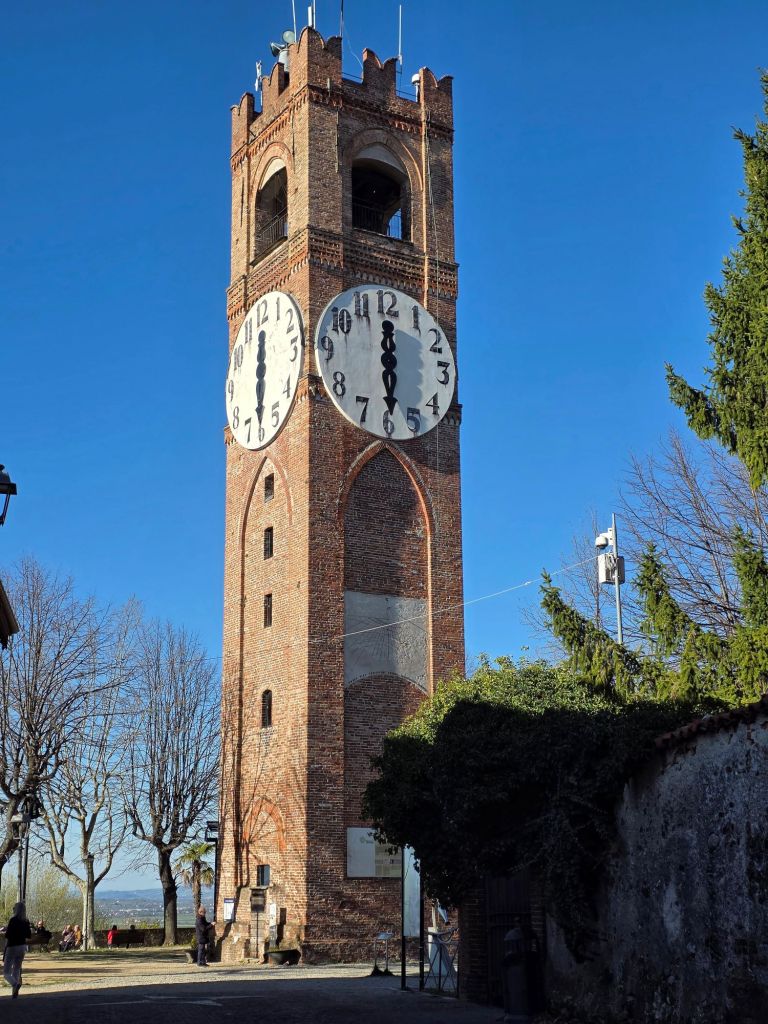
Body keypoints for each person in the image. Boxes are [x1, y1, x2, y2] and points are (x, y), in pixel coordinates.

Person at [3, 901, 32, 999]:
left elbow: (8, 935)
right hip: (22, 947)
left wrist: (5, 947)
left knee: (6, 973)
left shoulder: (13, 920)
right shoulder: (26, 921)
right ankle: (14, 993)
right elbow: (29, 935)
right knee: (16, 969)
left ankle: (15, 984)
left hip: (12, 946)